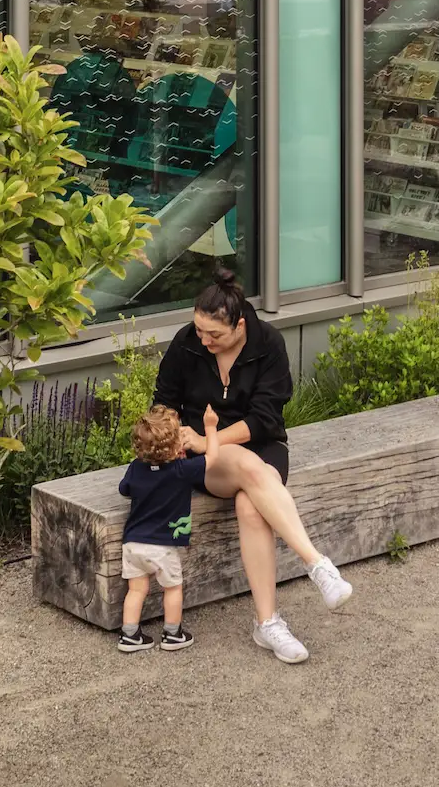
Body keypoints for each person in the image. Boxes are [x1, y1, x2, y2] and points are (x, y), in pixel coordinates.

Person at [151, 265, 352, 663]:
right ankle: (317, 563)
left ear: (239, 325)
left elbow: (265, 418)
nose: (203, 339)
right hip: (199, 457)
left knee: (250, 505)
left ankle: (268, 624)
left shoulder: (267, 343)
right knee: (241, 466)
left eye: (215, 334)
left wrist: (214, 437)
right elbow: (164, 400)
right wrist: (174, 438)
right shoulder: (187, 343)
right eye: (199, 330)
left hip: (262, 445)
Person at [116, 404, 207, 654]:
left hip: (133, 543)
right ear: (176, 447)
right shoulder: (181, 471)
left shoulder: (136, 467)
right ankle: (172, 633)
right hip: (162, 547)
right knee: (173, 587)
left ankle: (130, 635)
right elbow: (215, 459)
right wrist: (210, 429)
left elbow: (124, 489)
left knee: (136, 589)